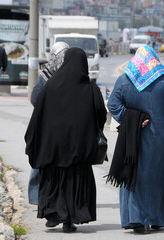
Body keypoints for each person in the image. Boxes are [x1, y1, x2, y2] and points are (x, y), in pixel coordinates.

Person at [107, 46, 164, 234]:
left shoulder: (125, 79)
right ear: (154, 59)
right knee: (159, 177)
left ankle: (137, 221)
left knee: (135, 176)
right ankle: (157, 219)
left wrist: (130, 120)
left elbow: (112, 104)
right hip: (162, 139)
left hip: (133, 138)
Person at [25, 47, 107, 233]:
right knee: (74, 181)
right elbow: (101, 114)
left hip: (52, 148)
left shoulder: (51, 86)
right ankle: (69, 220)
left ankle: (53, 215)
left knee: (53, 179)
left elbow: (37, 115)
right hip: (79, 148)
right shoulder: (91, 90)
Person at [27, 41, 69, 206]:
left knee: (40, 157)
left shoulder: (46, 74)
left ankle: (36, 196)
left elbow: (34, 99)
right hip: (66, 124)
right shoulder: (72, 73)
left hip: (45, 123)